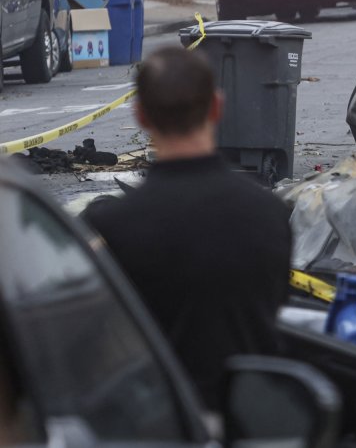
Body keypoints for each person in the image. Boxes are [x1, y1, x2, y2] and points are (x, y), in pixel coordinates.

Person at [83, 47, 292, 409]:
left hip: (158, 422)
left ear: (141, 115)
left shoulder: (112, 228)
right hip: (249, 421)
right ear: (216, 107)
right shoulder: (272, 215)